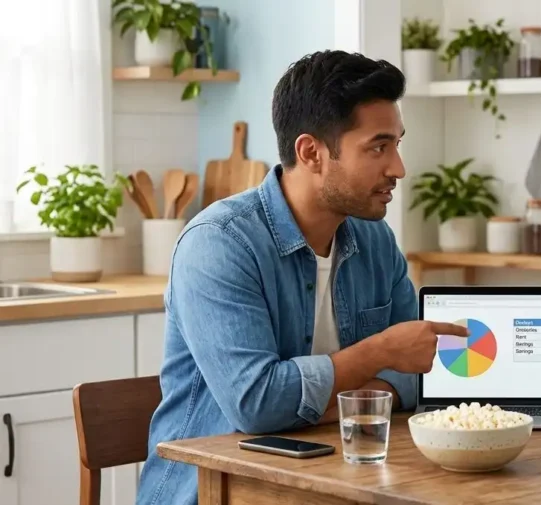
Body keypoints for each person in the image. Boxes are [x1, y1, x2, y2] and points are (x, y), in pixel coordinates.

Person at [136, 50, 469, 505]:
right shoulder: (218, 244)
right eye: (378, 147)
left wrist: (308, 404)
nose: (398, 168)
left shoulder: (376, 240)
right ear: (311, 152)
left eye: (396, 144)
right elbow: (257, 404)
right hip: (213, 493)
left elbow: (420, 374)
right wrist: (380, 352)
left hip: (337, 482)